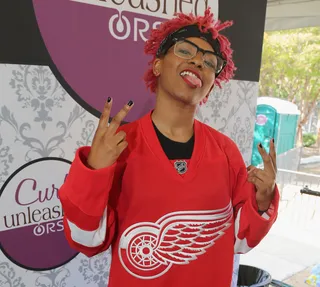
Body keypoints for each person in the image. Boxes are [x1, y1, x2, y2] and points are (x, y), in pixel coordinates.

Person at [59, 8, 279, 287]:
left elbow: (241, 240)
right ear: (158, 65)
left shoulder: (226, 152)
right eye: (186, 50)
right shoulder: (119, 145)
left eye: (210, 61)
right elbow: (87, 240)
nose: (199, 62)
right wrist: (94, 172)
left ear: (211, 85)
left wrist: (262, 201)